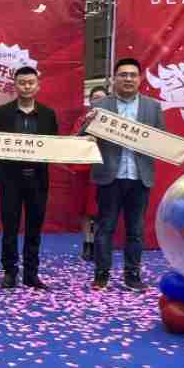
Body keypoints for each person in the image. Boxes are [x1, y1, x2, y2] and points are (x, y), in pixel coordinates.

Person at [83, 58, 166, 292]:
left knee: (136, 231)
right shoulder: (100, 105)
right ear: (114, 79)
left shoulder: (153, 107)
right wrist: (88, 130)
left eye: (132, 75)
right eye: (123, 75)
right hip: (109, 175)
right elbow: (84, 137)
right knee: (105, 228)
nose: (128, 79)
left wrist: (181, 149)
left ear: (139, 79)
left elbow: (162, 140)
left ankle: (132, 275)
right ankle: (101, 274)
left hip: (140, 177)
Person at [0, 66, 59, 289]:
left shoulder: (48, 114)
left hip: (37, 180)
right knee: (9, 228)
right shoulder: (2, 112)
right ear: (15, 86)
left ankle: (31, 274)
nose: (26, 86)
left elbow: (56, 145)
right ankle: (10, 272)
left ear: (38, 86)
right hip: (10, 179)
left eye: (30, 82)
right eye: (22, 83)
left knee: (34, 228)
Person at [75, 85, 109, 262]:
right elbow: (73, 140)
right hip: (85, 170)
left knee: (101, 209)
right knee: (85, 210)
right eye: (95, 98)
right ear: (90, 101)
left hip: (105, 169)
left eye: (102, 98)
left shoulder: (113, 121)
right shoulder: (83, 119)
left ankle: (98, 243)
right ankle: (87, 243)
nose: (98, 101)